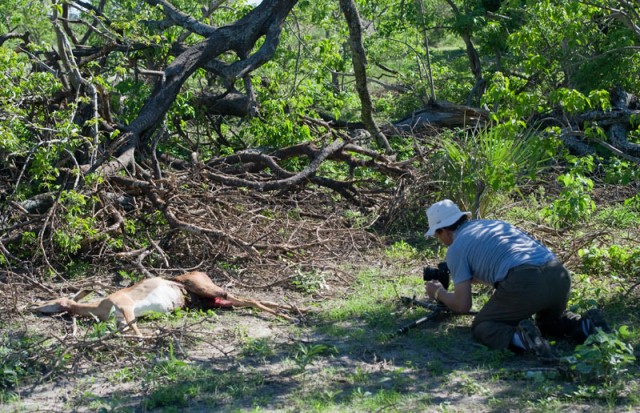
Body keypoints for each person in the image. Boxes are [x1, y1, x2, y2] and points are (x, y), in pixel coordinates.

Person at [423, 199, 608, 361]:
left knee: (483, 326)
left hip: (526, 280)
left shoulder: (456, 248)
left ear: (445, 231)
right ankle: (585, 324)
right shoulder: (490, 224)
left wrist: (438, 292)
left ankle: (523, 339)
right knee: (548, 324)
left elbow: (463, 305)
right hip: (558, 274)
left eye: (436, 235)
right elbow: (508, 261)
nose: (439, 239)